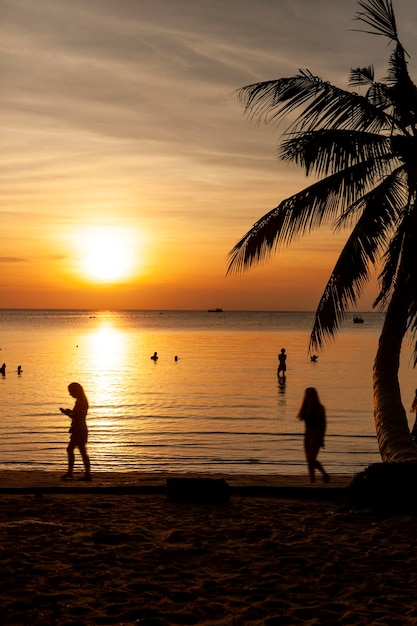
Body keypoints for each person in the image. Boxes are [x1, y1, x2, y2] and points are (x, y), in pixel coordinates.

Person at [297, 387, 330, 484]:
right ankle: (312, 480)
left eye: (310, 394)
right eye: (306, 394)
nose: (308, 396)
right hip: (307, 435)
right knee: (309, 460)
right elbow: (302, 417)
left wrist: (322, 439)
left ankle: (324, 474)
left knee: (311, 459)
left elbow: (323, 424)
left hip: (316, 435)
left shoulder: (319, 407)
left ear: (314, 395)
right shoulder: (305, 406)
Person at [60, 382, 91, 481]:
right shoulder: (82, 401)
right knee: (80, 451)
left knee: (74, 450)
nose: (70, 394)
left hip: (79, 429)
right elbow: (77, 415)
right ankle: (82, 474)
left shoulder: (80, 402)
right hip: (80, 429)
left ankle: (75, 473)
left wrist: (67, 413)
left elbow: (77, 416)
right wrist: (70, 412)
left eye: (71, 392)